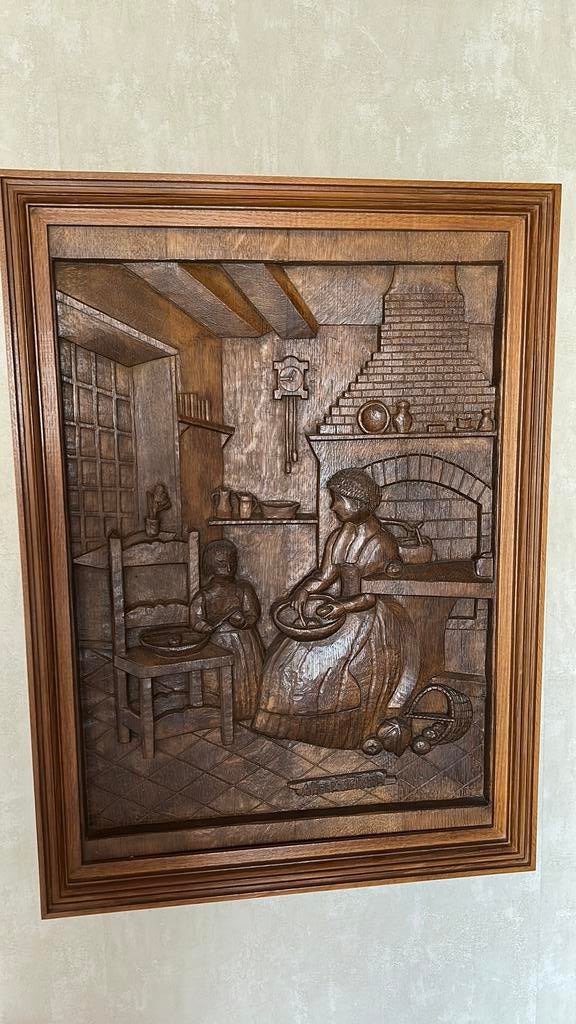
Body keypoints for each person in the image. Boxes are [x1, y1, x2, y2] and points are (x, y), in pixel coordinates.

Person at [252, 469, 419, 749]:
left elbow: (372, 595)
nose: (333, 507)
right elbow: (325, 575)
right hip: (339, 610)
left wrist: (342, 606)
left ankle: (338, 732)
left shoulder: (381, 543)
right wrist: (304, 590)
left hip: (368, 616)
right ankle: (288, 725)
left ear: (358, 502)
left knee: (328, 667)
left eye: (338, 500)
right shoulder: (339, 538)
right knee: (284, 660)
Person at [189, 539, 264, 720]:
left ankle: (247, 709)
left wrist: (243, 622)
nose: (229, 567)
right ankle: (217, 712)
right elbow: (196, 620)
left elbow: (253, 614)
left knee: (244, 676)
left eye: (232, 561)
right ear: (210, 565)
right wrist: (205, 626)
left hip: (244, 643)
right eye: (222, 563)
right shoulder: (204, 595)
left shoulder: (244, 589)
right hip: (217, 644)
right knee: (218, 678)